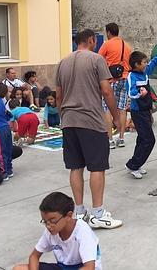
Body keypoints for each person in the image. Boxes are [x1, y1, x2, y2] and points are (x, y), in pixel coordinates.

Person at [56, 29, 122, 228]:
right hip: (91, 121)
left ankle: (79, 211)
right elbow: (106, 90)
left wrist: (63, 117)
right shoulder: (96, 60)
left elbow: (58, 96)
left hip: (69, 121)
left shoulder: (62, 62)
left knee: (75, 166)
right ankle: (98, 213)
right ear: (92, 40)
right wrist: (117, 117)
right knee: (97, 167)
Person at [13, 192, 102, 270]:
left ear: (68, 216)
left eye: (53, 221)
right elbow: (34, 256)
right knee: (19, 269)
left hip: (84, 268)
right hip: (62, 267)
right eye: (45, 221)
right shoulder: (51, 231)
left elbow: (89, 267)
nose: (48, 226)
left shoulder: (83, 231)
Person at [126, 48, 157, 179]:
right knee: (149, 140)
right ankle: (134, 164)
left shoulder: (145, 72)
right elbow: (130, 93)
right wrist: (139, 94)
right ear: (137, 64)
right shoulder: (132, 76)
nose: (147, 64)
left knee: (142, 139)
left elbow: (154, 62)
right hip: (137, 112)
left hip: (146, 111)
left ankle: (135, 163)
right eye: (144, 62)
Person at [98, 22, 133, 149]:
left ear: (108, 32)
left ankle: (110, 139)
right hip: (124, 79)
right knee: (122, 108)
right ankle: (121, 138)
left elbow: (98, 59)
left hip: (111, 80)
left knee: (106, 107)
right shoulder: (127, 45)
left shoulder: (107, 44)